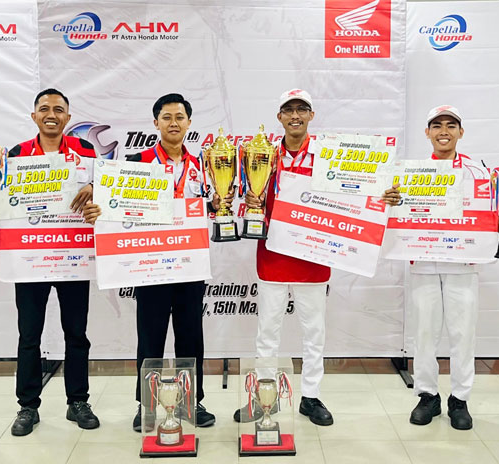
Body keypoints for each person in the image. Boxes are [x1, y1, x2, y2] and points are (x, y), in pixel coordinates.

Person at [82, 93, 223, 431]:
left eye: (179, 117)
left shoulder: (204, 166)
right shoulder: (137, 162)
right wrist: (99, 208)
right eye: (167, 117)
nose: (173, 123)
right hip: (151, 267)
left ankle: (192, 401)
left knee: (191, 337)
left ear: (189, 123)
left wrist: (218, 204)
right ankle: (145, 404)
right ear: (156, 123)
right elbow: (113, 203)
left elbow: (211, 207)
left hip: (189, 265)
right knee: (150, 338)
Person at [381, 106, 499, 430]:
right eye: (437, 126)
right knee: (424, 335)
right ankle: (427, 396)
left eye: (450, 125)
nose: (443, 131)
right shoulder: (409, 174)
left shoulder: (478, 172)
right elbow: (395, 217)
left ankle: (460, 399)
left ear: (461, 132)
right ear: (427, 133)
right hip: (424, 263)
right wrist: (388, 200)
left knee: (463, 336)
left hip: (463, 265)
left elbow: (489, 217)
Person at [0, 88, 99, 436]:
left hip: (72, 255)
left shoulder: (86, 151)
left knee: (77, 333)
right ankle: (28, 406)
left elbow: (104, 191)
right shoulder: (16, 154)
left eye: (58, 109)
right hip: (31, 257)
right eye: (44, 109)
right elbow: (5, 202)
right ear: (34, 116)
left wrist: (94, 189)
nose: (51, 114)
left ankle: (78, 401)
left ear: (68, 117)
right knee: (29, 335)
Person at [233, 89, 334, 426]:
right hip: (273, 255)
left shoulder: (327, 157)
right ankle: (265, 396)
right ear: (279, 117)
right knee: (267, 331)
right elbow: (243, 199)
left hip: (313, 258)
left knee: (314, 332)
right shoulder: (263, 155)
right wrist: (250, 200)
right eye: (288, 110)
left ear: (311, 115)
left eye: (301, 109)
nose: (295, 115)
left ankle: (311, 396)